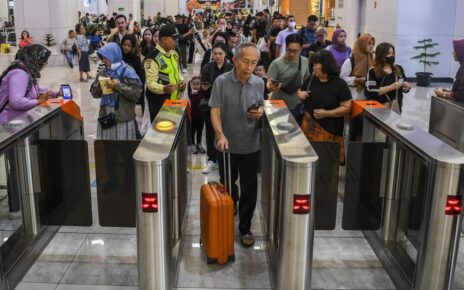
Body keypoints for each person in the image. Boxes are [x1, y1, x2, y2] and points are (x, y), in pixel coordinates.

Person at [209, 42, 264, 247]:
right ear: (235, 60)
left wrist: (260, 113)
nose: (249, 67)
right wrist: (220, 135)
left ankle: (245, 228)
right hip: (227, 146)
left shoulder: (259, 83)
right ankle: (231, 206)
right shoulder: (221, 82)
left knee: (250, 189)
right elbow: (215, 111)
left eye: (253, 62)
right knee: (228, 184)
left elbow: (260, 106)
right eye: (245, 61)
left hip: (251, 145)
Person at [297, 50, 352, 164]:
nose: (314, 67)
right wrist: (300, 95)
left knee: (328, 166)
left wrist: (327, 113)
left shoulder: (339, 84)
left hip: (331, 132)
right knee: (309, 163)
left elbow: (347, 107)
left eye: (316, 64)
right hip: (308, 129)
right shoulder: (311, 79)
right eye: (313, 64)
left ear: (326, 65)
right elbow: (300, 92)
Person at [90, 43, 142, 140]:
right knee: (107, 148)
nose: (103, 61)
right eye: (102, 58)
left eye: (106, 58)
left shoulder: (128, 71)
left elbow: (136, 94)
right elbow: (94, 94)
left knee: (122, 148)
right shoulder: (103, 72)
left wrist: (118, 86)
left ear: (114, 55)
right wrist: (100, 85)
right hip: (106, 116)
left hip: (123, 117)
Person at [200, 42, 234, 174]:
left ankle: (225, 158)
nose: (217, 56)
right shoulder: (207, 67)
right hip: (211, 104)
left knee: (226, 131)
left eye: (220, 53)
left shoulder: (231, 68)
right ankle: (212, 160)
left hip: (227, 106)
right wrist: (205, 87)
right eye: (215, 54)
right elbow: (203, 87)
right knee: (211, 132)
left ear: (225, 53)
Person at [0, 44, 54, 123]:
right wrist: (39, 101)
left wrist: (55, 93)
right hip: (8, 123)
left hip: (17, 119)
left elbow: (34, 89)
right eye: (43, 62)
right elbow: (17, 102)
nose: (44, 65)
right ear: (35, 59)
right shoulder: (20, 73)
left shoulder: (27, 70)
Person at [144, 24, 186, 122]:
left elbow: (177, 71)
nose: (176, 41)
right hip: (160, 103)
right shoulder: (152, 59)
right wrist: (164, 88)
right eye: (174, 39)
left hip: (175, 101)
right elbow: (150, 84)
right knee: (163, 133)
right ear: (164, 39)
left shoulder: (173, 53)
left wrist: (181, 81)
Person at [267, 34, 310, 111]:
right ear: (286, 47)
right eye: (289, 50)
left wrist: (303, 92)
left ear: (301, 49)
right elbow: (269, 82)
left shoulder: (305, 61)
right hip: (277, 104)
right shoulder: (276, 63)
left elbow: (306, 79)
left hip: (296, 105)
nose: (292, 54)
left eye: (296, 51)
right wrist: (271, 87)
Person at [365, 42, 411, 112]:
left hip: (396, 106)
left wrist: (406, 86)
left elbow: (402, 85)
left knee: (394, 122)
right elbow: (371, 90)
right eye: (389, 53)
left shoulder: (398, 68)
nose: (392, 56)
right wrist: (391, 87)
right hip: (378, 107)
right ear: (381, 55)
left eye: (393, 53)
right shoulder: (373, 71)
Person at [340, 33, 375, 99]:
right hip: (352, 96)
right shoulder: (351, 61)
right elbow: (342, 78)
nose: (371, 46)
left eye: (373, 44)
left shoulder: (372, 60)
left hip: (368, 97)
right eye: (369, 43)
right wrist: (356, 80)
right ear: (362, 44)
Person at [188, 76, 205, 154]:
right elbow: (193, 100)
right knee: (192, 130)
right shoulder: (191, 93)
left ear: (200, 85)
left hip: (201, 115)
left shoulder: (202, 92)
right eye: (194, 84)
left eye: (198, 84)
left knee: (200, 130)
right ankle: (192, 144)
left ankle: (199, 143)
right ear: (191, 85)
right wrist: (193, 92)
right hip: (193, 115)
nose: (196, 86)